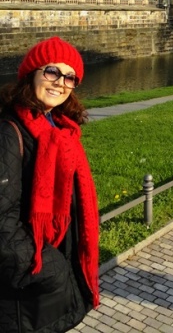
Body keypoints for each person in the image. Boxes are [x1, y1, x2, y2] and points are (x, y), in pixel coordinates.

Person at [0, 36, 99, 333]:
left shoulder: (60, 127)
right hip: (26, 290)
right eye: (52, 71)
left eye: (70, 77)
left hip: (47, 279)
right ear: (31, 74)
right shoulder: (8, 132)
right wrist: (50, 269)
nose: (60, 83)